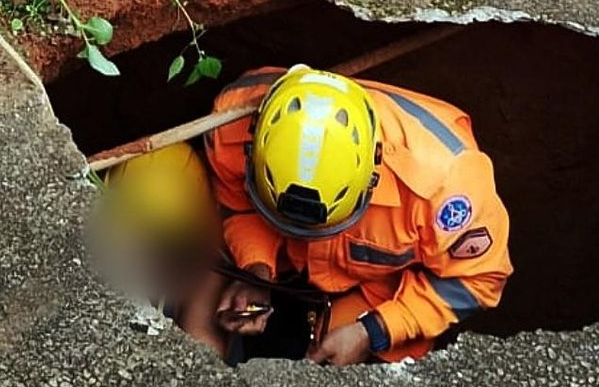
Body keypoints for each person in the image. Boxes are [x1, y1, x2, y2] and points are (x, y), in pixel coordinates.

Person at [203, 65, 511, 364]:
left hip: (381, 294)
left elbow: (478, 279)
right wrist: (257, 271)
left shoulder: (447, 185)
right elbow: (238, 205)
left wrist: (374, 331)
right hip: (289, 274)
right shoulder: (231, 123)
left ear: (372, 176)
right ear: (253, 148)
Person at [95, 143, 229, 355]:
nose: (146, 255)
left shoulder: (193, 285)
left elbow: (204, 342)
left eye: (159, 245)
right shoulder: (98, 266)